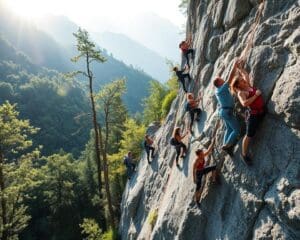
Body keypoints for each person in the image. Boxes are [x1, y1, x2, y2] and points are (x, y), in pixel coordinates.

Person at [230, 62, 265, 165]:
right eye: (241, 81)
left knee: (254, 131)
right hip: (252, 115)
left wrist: (239, 68)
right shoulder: (241, 93)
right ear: (238, 85)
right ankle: (244, 155)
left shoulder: (247, 85)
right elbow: (244, 103)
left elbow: (246, 75)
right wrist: (256, 95)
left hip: (259, 112)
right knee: (249, 135)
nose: (243, 80)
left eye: (242, 80)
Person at [213, 60, 241, 156]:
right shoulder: (222, 88)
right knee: (237, 130)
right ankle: (227, 146)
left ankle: (226, 146)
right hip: (226, 112)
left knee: (228, 129)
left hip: (223, 111)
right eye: (221, 79)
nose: (223, 79)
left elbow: (220, 80)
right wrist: (234, 66)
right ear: (220, 83)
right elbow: (230, 78)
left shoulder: (217, 90)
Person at [192, 120, 220, 206]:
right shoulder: (196, 161)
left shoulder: (203, 155)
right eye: (201, 153)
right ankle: (197, 200)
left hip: (203, 170)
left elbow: (208, 150)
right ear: (198, 154)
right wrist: (194, 179)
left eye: (202, 152)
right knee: (198, 188)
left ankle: (214, 180)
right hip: (198, 174)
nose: (202, 153)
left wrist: (213, 141)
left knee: (214, 167)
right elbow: (193, 170)